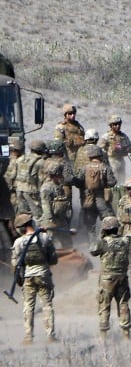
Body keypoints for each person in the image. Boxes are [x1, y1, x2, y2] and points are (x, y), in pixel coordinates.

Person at [11, 213, 58, 343]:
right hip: (43, 275)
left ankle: (28, 336)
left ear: (21, 228)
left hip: (28, 277)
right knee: (47, 305)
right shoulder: (44, 238)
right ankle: (50, 336)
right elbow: (53, 260)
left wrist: (18, 280)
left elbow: (15, 265)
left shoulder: (18, 242)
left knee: (28, 306)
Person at [89, 216, 131, 339]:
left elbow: (93, 251)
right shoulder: (125, 241)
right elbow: (128, 237)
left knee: (104, 305)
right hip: (122, 277)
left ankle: (103, 335)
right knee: (123, 304)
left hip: (107, 279)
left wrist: (100, 235)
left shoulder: (103, 243)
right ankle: (126, 334)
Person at [77, 144, 117, 234]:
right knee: (110, 221)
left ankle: (91, 245)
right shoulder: (105, 167)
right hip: (102, 199)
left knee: (90, 226)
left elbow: (78, 182)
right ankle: (107, 242)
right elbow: (112, 182)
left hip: (88, 200)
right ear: (100, 155)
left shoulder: (84, 168)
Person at [39, 162, 73, 250]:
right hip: (51, 221)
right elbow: (45, 205)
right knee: (48, 244)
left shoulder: (58, 185)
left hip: (61, 219)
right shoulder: (46, 188)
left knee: (67, 243)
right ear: (56, 174)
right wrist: (50, 220)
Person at [13, 139, 47, 219]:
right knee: (37, 215)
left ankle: (24, 230)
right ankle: (37, 231)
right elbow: (41, 180)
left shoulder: (20, 159)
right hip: (32, 191)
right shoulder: (40, 162)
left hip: (19, 190)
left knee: (23, 215)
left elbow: (13, 175)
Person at [99, 115, 131, 183]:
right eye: (115, 124)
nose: (117, 126)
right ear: (111, 125)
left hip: (121, 161)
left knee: (122, 181)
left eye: (119, 124)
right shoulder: (106, 137)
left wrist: (130, 148)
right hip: (111, 162)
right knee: (113, 182)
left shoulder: (124, 136)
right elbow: (100, 150)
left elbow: (128, 147)